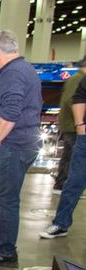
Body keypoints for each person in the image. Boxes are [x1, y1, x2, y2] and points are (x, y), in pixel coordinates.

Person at [0, 30, 43, 267]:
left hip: (13, 145)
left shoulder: (13, 74)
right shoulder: (23, 70)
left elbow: (11, 112)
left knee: (6, 199)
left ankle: (6, 250)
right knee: (6, 198)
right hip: (21, 143)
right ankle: (3, 242)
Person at [39, 74, 86, 239]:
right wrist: (80, 125)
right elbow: (79, 97)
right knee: (73, 182)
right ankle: (60, 223)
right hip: (84, 138)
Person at [53, 59, 86, 193]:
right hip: (72, 126)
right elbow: (71, 100)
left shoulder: (77, 78)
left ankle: (64, 185)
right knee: (73, 156)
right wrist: (79, 122)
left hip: (72, 124)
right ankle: (65, 185)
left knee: (70, 155)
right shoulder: (78, 79)